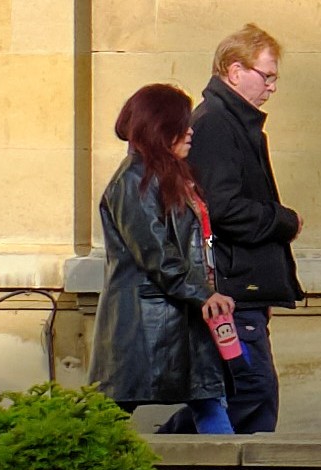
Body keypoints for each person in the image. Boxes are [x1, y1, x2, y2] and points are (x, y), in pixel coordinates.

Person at [92, 84, 238, 435]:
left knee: (209, 399)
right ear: (160, 127)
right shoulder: (133, 180)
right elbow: (156, 253)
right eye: (181, 124)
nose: (190, 131)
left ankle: (228, 468)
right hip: (145, 321)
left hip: (182, 315)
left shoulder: (168, 176)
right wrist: (204, 295)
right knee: (109, 413)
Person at [187, 23, 301, 434]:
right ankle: (158, 456)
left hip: (243, 288)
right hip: (233, 290)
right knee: (251, 392)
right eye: (266, 76)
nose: (272, 87)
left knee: (245, 395)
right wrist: (285, 221)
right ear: (235, 71)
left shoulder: (233, 122)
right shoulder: (216, 124)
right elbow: (223, 209)